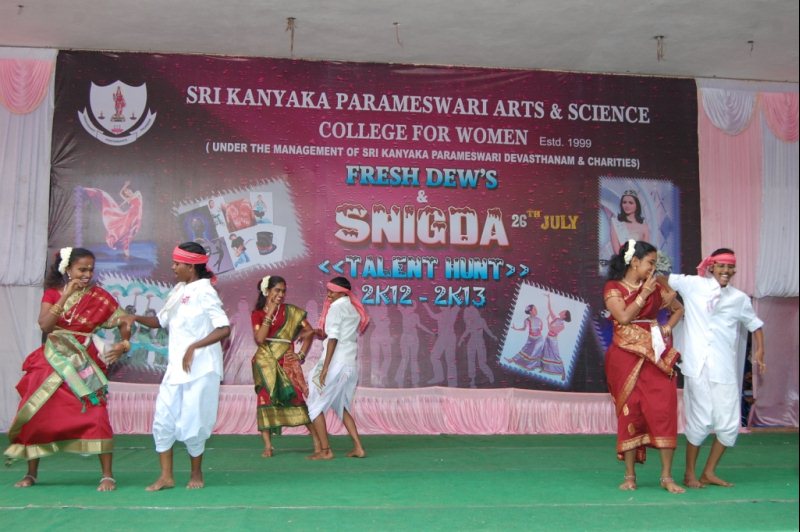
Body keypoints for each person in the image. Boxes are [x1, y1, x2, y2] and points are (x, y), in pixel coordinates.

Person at [5, 247, 132, 491]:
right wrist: (66, 296)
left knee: (96, 412)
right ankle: (31, 473)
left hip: (83, 361)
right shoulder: (53, 293)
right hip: (51, 359)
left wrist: (124, 343)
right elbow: (45, 325)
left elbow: (126, 320)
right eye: (82, 269)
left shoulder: (100, 297)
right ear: (68, 269)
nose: (87, 274)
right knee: (37, 411)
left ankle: (107, 475)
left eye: (91, 270)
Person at [120, 242, 230, 490]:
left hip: (201, 368)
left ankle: (196, 473)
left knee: (194, 421)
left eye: (177, 263)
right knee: (163, 418)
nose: (173, 267)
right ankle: (166, 476)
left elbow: (224, 328)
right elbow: (160, 321)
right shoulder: (179, 289)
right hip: (176, 368)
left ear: (191, 267)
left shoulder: (205, 291)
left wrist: (194, 347)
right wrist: (135, 317)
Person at [667, 248, 766, 488]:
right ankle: (689, 474)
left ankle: (708, 472)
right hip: (697, 366)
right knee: (699, 420)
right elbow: (662, 278)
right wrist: (670, 299)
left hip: (723, 368)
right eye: (721, 266)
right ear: (711, 266)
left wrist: (760, 351)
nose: (726, 271)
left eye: (730, 267)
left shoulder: (739, 299)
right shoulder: (693, 285)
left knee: (729, 424)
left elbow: (755, 325)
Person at [604, 239, 685, 494]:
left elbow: (678, 309)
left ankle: (666, 477)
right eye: (650, 263)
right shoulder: (613, 288)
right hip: (624, 359)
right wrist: (644, 294)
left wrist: (667, 327)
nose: (653, 268)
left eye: (655, 263)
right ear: (635, 262)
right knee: (630, 412)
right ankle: (630, 476)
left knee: (664, 409)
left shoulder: (658, 284)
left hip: (656, 356)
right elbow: (623, 317)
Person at [251, 275, 320, 457]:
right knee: (265, 399)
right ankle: (268, 446)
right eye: (277, 290)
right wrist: (270, 313)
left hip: (286, 363)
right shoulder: (257, 314)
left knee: (296, 398)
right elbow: (260, 339)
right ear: (267, 291)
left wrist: (301, 355)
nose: (281, 294)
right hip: (265, 363)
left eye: (283, 291)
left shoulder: (291, 312)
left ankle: (317, 441)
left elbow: (309, 331)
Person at [306, 276, 369, 460]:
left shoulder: (335, 308)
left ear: (342, 292)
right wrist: (313, 331)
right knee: (341, 406)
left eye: (331, 292)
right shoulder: (353, 309)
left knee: (314, 405)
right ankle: (358, 448)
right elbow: (334, 334)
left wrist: (325, 368)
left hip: (335, 363)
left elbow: (333, 338)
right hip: (349, 364)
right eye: (328, 291)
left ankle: (325, 451)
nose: (328, 295)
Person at [82, 181, 143, 259]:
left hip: (136, 215)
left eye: (128, 190)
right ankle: (126, 253)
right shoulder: (129, 199)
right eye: (126, 192)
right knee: (125, 233)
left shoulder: (137, 193)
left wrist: (126, 187)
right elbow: (121, 194)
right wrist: (124, 187)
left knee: (130, 232)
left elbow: (135, 197)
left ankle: (126, 251)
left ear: (131, 190)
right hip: (130, 216)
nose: (128, 192)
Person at [605, 190, 651, 256]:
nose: (627, 205)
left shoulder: (644, 226)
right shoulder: (616, 223)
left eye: (631, 203)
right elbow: (617, 250)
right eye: (624, 202)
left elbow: (645, 250)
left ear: (637, 205)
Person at [540, 294, 572, 381]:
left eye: (563, 311)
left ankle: (563, 372)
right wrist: (548, 298)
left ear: (564, 316)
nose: (561, 311)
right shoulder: (556, 318)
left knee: (556, 356)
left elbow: (551, 329)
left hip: (553, 340)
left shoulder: (562, 325)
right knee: (545, 352)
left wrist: (547, 321)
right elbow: (550, 309)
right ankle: (543, 368)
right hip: (548, 337)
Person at [509, 304, 545, 371]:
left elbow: (541, 328)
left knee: (536, 352)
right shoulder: (527, 320)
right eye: (534, 309)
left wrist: (537, 331)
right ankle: (513, 359)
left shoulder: (539, 319)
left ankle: (532, 366)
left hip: (539, 339)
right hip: (531, 338)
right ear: (530, 311)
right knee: (525, 349)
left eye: (536, 309)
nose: (536, 310)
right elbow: (524, 329)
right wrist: (516, 329)